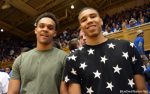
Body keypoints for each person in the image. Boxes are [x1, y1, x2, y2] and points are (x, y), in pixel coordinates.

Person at [63, 7, 147, 94]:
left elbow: (141, 89)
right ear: (81, 28)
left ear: (101, 21)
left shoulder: (127, 46)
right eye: (84, 20)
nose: (89, 20)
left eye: (93, 16)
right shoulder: (73, 59)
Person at [8, 12, 68, 94]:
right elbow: (12, 92)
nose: (45, 29)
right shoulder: (20, 59)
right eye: (41, 26)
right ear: (36, 30)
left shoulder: (64, 58)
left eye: (50, 28)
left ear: (55, 33)